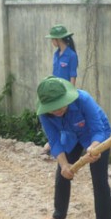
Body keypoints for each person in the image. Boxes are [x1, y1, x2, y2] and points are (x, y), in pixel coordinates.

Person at [36, 76, 111, 219]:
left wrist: (94, 147)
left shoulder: (83, 99)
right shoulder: (43, 114)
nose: (57, 111)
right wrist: (64, 165)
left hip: (96, 137)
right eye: (53, 108)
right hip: (71, 136)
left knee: (100, 181)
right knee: (62, 174)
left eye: (60, 105)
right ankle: (59, 214)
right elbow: (55, 141)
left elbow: (98, 129)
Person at [42, 25, 79, 154]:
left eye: (52, 39)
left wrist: (70, 94)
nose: (52, 42)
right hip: (54, 92)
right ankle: (53, 142)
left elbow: (72, 76)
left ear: (58, 39)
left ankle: (67, 145)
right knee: (51, 115)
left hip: (65, 93)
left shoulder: (71, 55)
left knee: (65, 117)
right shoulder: (56, 54)